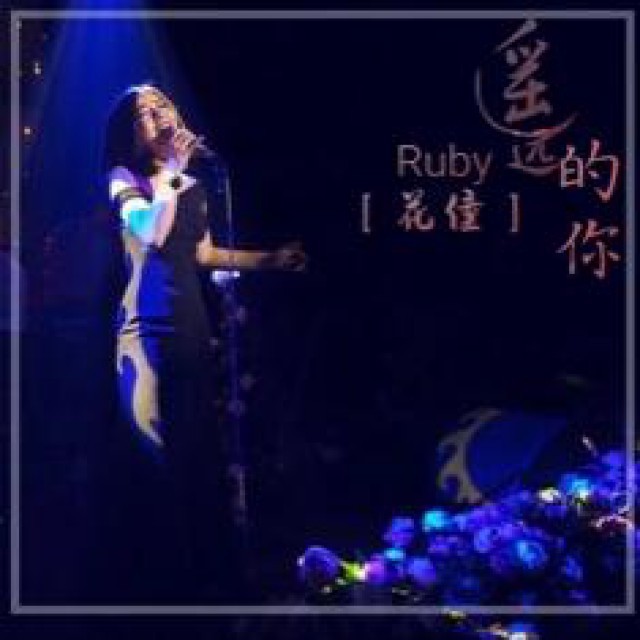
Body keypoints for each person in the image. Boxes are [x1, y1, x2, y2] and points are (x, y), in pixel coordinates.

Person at [103, 83, 305, 601]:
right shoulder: (124, 178)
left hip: (191, 324)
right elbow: (151, 233)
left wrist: (267, 260)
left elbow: (203, 254)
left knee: (196, 449)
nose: (158, 115)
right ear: (130, 132)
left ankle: (204, 576)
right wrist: (172, 171)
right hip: (145, 331)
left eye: (162, 106)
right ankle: (153, 580)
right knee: (155, 454)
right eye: (145, 113)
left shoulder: (189, 184)